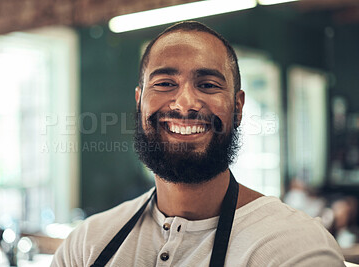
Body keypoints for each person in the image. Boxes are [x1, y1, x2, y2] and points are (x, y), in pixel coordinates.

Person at [52, 21, 345, 266]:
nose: (185, 104)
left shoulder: (295, 250)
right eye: (165, 83)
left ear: (238, 108)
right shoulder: (86, 245)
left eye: (208, 85)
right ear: (140, 102)